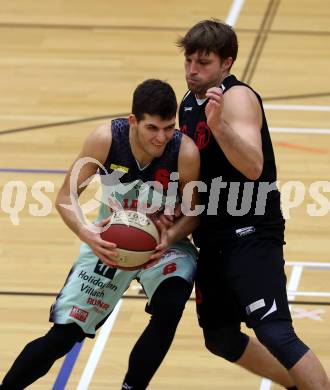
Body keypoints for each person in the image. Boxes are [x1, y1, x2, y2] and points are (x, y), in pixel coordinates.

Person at [0, 79, 200, 389]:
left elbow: (194, 213)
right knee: (62, 338)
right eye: (152, 128)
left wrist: (171, 235)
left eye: (168, 127)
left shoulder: (184, 151)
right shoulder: (106, 139)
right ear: (133, 121)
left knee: (170, 307)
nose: (161, 137)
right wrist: (86, 233)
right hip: (110, 242)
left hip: (163, 248)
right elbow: (66, 196)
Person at [177, 19, 330, 390]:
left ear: (226, 63)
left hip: (250, 230)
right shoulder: (187, 104)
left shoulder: (236, 98)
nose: (193, 71)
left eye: (204, 63)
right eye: (189, 61)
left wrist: (220, 127)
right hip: (214, 234)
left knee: (276, 332)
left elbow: (253, 166)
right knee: (220, 337)